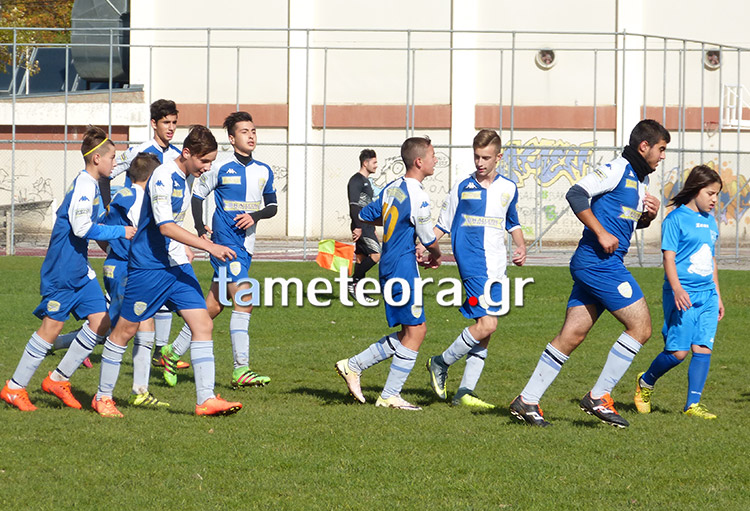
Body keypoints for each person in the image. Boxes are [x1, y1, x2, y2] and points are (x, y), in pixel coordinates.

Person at [509, 119, 670, 428]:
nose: (663, 157)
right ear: (644, 146)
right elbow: (576, 194)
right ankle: (600, 396)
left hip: (598, 263)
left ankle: (527, 400)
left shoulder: (640, 182)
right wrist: (599, 232)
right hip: (599, 263)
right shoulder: (616, 169)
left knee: (572, 334)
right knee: (641, 327)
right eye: (661, 149)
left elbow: (626, 224)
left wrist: (648, 216)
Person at [91, 125, 242, 418]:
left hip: (176, 266)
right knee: (125, 330)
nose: (207, 167)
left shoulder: (186, 178)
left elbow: (174, 225)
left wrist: (195, 241)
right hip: (149, 266)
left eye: (211, 161)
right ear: (187, 153)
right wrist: (207, 246)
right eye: (204, 161)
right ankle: (103, 396)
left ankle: (205, 399)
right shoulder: (161, 176)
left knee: (203, 325)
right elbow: (164, 226)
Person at [1, 126, 136, 411]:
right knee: (52, 327)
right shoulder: (86, 184)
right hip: (62, 267)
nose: (115, 162)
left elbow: (94, 229)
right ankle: (14, 387)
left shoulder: (93, 181)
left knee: (101, 321)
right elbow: (82, 227)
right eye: (112, 157)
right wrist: (121, 233)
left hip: (79, 268)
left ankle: (58, 379)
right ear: (97, 159)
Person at [160, 111, 276, 389]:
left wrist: (256, 216)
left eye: (254, 130)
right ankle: (241, 369)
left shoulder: (264, 170)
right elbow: (198, 197)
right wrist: (201, 228)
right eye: (245, 131)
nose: (251, 135)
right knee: (245, 299)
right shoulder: (220, 167)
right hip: (225, 245)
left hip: (246, 246)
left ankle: (171, 352)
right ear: (231, 137)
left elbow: (272, 206)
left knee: (212, 307)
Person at [335, 136, 442, 411]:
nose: (436, 160)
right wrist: (437, 255)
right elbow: (429, 238)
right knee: (417, 331)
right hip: (403, 267)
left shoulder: (392, 187)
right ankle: (388, 394)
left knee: (411, 330)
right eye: (432, 155)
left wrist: (395, 218)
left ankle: (354, 366)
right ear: (419, 161)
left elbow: (368, 215)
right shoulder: (418, 194)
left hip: (388, 265)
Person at [425, 129, 526, 409]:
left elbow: (513, 222)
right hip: (472, 263)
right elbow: (442, 225)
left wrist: (521, 246)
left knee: (486, 330)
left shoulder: (509, 187)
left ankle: (465, 392)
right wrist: (424, 246)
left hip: (496, 265)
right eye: (476, 157)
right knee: (488, 323)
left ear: (499, 157)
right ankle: (439, 362)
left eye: (486, 157)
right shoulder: (461, 187)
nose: (480, 163)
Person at [99, 99, 188, 372]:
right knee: (124, 315)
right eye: (166, 123)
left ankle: (160, 352)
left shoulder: (175, 156)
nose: (171, 128)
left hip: (165, 233)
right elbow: (106, 173)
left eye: (174, 123)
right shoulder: (139, 152)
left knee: (160, 293)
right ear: (154, 124)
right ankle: (79, 340)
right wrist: (107, 206)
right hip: (138, 237)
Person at [634, 165, 724, 419]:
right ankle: (646, 382)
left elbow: (711, 259)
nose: (714, 200)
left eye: (717, 194)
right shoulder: (675, 219)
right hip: (682, 294)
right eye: (710, 193)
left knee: (703, 348)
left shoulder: (711, 221)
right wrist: (676, 289)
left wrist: (717, 295)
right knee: (678, 353)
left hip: (707, 295)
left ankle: (692, 405)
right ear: (696, 190)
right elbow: (669, 258)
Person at [100, 152, 169, 408]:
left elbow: (102, 228)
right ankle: (62, 369)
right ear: (152, 177)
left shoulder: (122, 194)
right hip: (129, 267)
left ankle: (141, 389)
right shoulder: (141, 198)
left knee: (140, 321)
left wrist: (112, 252)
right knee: (112, 331)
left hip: (114, 264)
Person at [347, 149, 381, 302]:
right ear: (365, 163)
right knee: (376, 255)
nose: (376, 165)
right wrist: (358, 226)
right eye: (374, 162)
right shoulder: (356, 180)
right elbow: (354, 205)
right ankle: (352, 282)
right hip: (361, 225)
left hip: (367, 225)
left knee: (361, 259)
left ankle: (358, 293)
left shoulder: (366, 181)